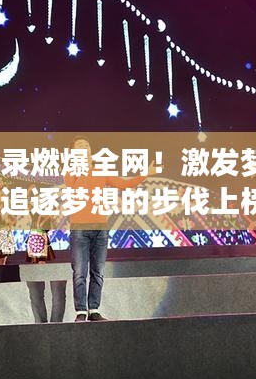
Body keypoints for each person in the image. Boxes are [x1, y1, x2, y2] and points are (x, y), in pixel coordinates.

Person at [64, 136, 157, 322]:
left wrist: (145, 173)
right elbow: (74, 190)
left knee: (98, 271)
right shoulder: (71, 171)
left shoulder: (100, 171)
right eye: (80, 146)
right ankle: (81, 311)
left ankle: (94, 310)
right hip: (79, 228)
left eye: (86, 145)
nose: (84, 147)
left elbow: (123, 184)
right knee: (80, 271)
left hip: (100, 228)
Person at [25, 212, 66, 323]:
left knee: (58, 294)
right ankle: (40, 327)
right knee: (35, 294)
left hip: (59, 253)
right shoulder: (29, 208)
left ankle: (56, 327)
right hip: (33, 251)